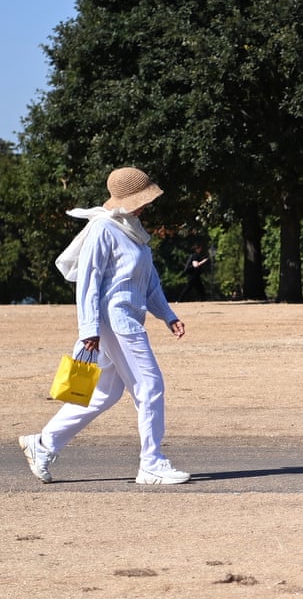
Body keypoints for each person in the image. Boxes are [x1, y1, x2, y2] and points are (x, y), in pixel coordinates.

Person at [19, 167, 191, 486]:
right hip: (115, 322)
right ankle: (152, 463)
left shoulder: (134, 230)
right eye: (142, 199)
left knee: (104, 394)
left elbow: (149, 281)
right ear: (126, 200)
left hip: (126, 319)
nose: (146, 205)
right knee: (150, 385)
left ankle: (42, 444)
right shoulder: (103, 228)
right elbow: (89, 280)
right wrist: (88, 330)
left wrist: (168, 315)